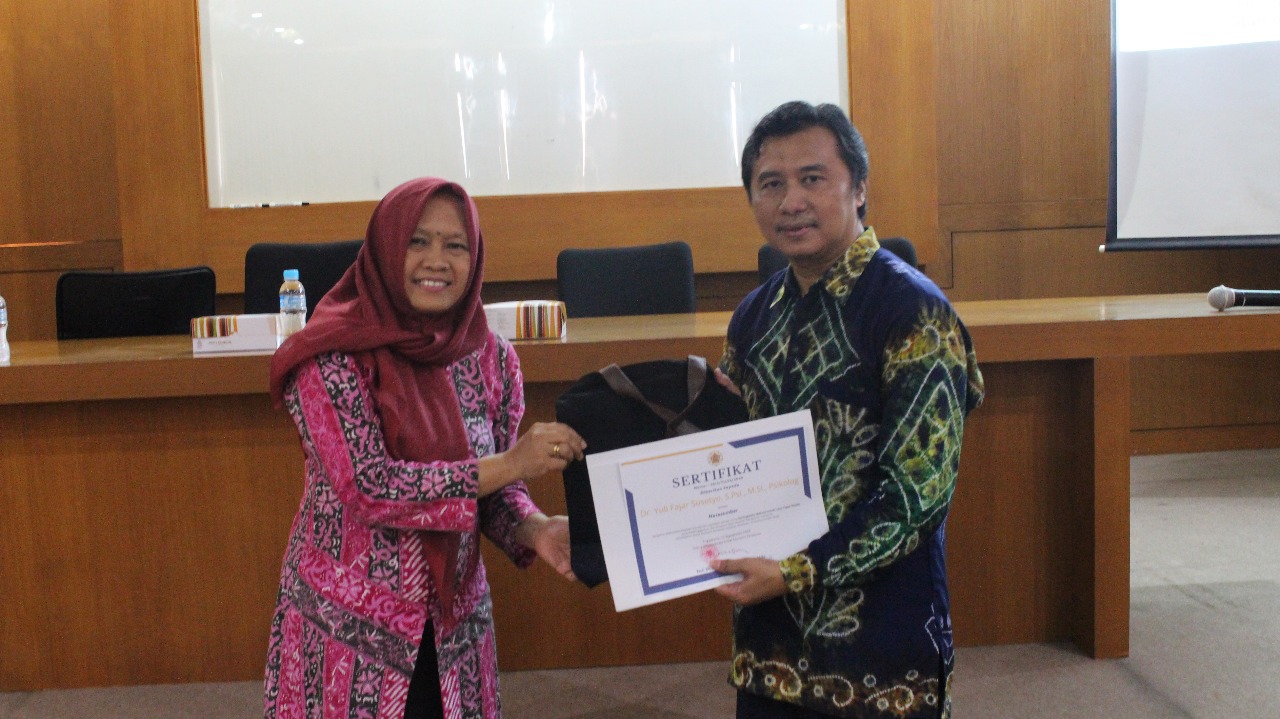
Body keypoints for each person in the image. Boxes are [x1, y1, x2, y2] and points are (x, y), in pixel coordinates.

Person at [262, 177, 587, 719]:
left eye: (455, 245)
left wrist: (534, 528)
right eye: (418, 241)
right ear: (387, 247)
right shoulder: (330, 356)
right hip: (351, 632)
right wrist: (511, 463)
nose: (437, 260)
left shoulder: (491, 358)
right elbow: (369, 486)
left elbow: (495, 491)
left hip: (455, 626)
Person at [711, 101, 985, 719]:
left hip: (881, 649)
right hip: (771, 648)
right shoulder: (753, 316)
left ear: (859, 188)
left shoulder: (914, 313)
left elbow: (916, 498)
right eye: (770, 184)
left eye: (812, 178)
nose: (791, 201)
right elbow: (726, 462)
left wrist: (795, 571)